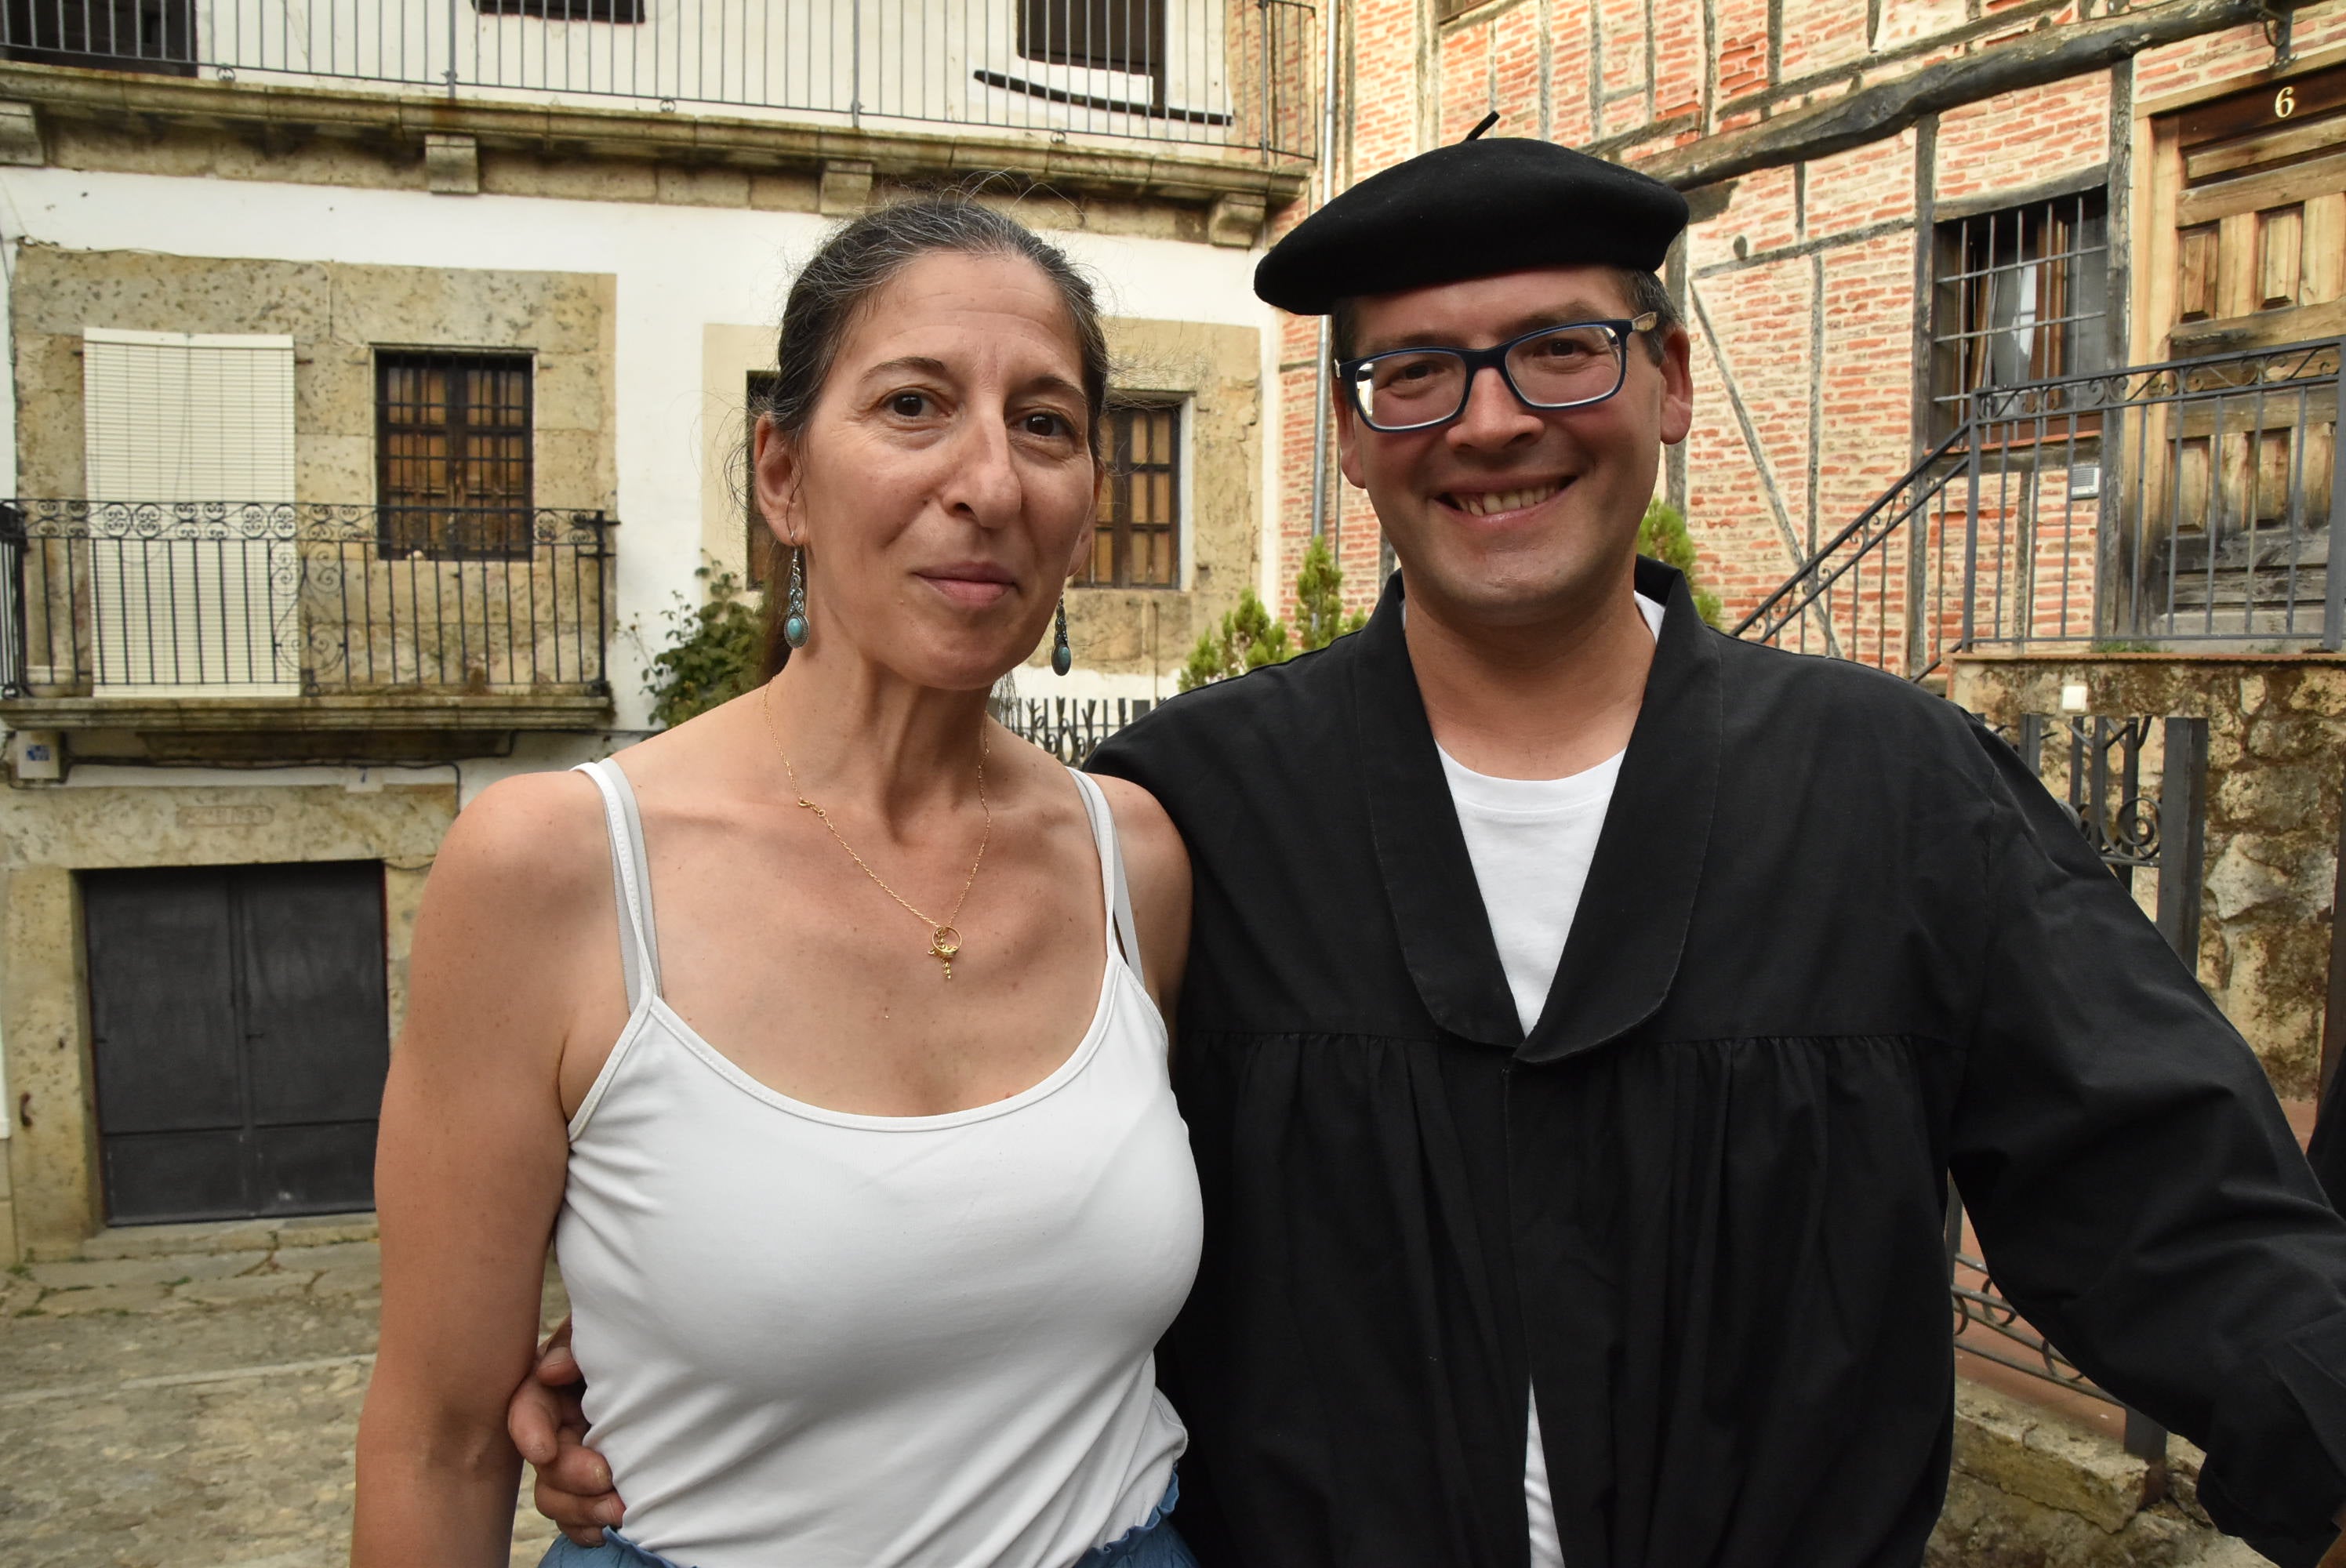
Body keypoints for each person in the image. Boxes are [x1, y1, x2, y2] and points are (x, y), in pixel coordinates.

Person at [517, 137, 2346, 1566]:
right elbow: (964, 1187)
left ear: (1671, 386)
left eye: (1561, 348)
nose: (1488, 421)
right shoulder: (1187, 820)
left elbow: (2179, 1214)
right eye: (1413, 375)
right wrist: (690, 1350)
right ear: (1346, 439)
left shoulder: (1893, 797)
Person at [352, 197, 1204, 1568]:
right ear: (783, 475)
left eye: (1044, 423)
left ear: (1088, 505)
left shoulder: (1134, 864)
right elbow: (438, 1445)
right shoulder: (559, 871)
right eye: (915, 405)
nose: (989, 480)